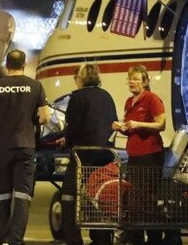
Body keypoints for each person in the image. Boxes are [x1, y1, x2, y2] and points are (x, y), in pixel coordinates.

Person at [0, 49, 50, 245]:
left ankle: (1, 237)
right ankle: (15, 240)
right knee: (22, 195)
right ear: (24, 65)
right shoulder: (35, 86)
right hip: (25, 146)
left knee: (2, 194)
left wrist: (1, 124)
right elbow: (45, 117)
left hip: (2, 147)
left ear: (6, 65)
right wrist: (30, 121)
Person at [111, 65, 180, 245]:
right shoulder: (129, 102)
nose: (132, 82)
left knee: (147, 198)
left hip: (150, 154)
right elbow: (131, 128)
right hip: (134, 155)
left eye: (136, 79)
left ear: (145, 82)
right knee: (136, 199)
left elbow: (161, 124)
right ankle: (138, 237)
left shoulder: (152, 99)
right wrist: (122, 127)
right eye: (130, 79)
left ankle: (155, 237)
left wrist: (139, 124)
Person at [60, 64, 118, 245]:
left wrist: (65, 141)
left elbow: (73, 126)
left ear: (80, 78)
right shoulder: (107, 96)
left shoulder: (77, 97)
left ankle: (73, 239)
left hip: (83, 155)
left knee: (68, 195)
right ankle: (101, 238)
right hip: (106, 155)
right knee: (98, 195)